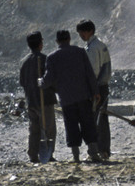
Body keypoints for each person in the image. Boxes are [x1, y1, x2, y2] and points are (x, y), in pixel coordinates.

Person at [41, 29, 98, 164]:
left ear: (57, 41)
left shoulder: (52, 57)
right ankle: (94, 153)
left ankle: (76, 157)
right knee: (88, 124)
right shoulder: (80, 52)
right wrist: (95, 92)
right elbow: (90, 74)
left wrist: (40, 82)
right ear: (69, 39)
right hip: (84, 96)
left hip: (66, 99)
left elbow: (48, 80)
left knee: (71, 126)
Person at [77, 20, 113, 163]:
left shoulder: (92, 49)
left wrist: (90, 90)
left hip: (96, 88)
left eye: (82, 32)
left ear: (89, 31)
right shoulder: (100, 45)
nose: (80, 35)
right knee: (102, 119)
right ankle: (104, 150)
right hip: (103, 86)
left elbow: (93, 72)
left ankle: (97, 151)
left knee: (94, 120)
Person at [19, 32, 57, 164]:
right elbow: (51, 79)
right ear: (40, 43)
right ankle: (48, 154)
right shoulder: (45, 59)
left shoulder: (24, 62)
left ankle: (33, 154)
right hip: (44, 101)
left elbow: (22, 82)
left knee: (34, 129)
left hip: (31, 101)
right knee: (48, 128)